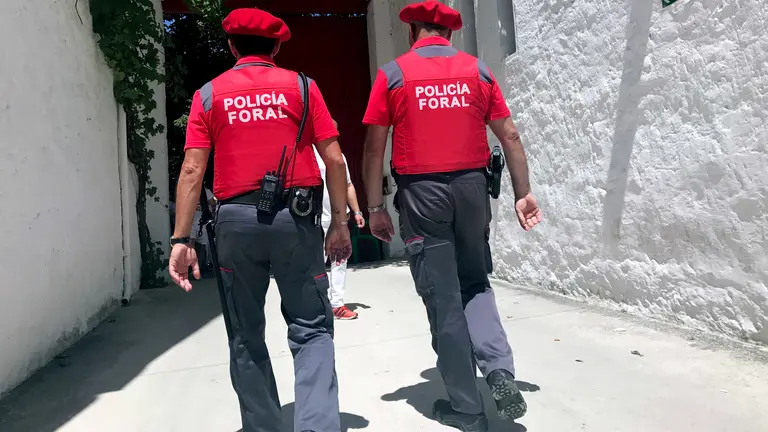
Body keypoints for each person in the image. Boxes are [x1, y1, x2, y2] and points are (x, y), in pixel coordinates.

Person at [361, 1, 543, 431]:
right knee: (475, 281)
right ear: (450, 35)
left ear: (414, 32)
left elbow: (374, 148)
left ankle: (466, 407)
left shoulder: (392, 74)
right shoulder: (477, 71)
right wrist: (523, 193)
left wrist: (374, 207)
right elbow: (510, 135)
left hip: (423, 194)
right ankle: (498, 370)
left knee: (444, 297)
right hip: (472, 188)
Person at [168, 8, 351, 432]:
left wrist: (182, 238)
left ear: (232, 47)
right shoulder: (303, 87)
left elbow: (193, 170)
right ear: (277, 47)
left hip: (234, 225)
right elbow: (335, 158)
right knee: (311, 327)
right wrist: (339, 221)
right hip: (297, 222)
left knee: (245, 333)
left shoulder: (209, 95)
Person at [314, 120, 365, 320]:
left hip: (338, 221)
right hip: (315, 222)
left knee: (340, 260)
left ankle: (337, 304)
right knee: (316, 265)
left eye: (335, 131)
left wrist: (357, 211)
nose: (334, 135)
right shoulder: (308, 155)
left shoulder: (339, 156)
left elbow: (349, 185)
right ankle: (318, 306)